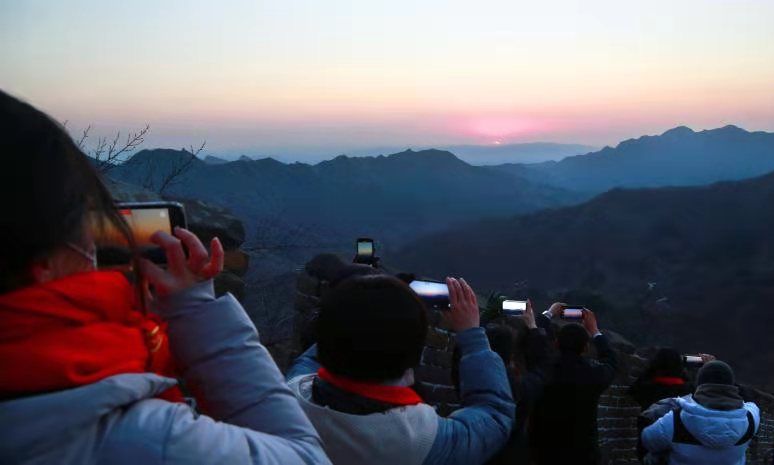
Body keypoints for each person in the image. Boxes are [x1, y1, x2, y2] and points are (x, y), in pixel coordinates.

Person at [0, 90, 330, 465]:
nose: (94, 237)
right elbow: (306, 457)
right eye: (83, 219)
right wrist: (194, 308)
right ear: (41, 261)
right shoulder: (140, 439)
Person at [286, 275, 515, 465]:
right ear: (412, 360)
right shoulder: (425, 442)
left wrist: (359, 310)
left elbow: (317, 353)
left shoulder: (289, 398)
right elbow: (495, 414)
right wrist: (472, 333)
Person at [529, 307, 618, 465]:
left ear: (556, 344)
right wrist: (595, 331)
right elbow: (611, 361)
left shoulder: (544, 368)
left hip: (542, 453)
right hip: (583, 455)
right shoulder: (594, 374)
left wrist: (550, 312)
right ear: (585, 348)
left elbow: (535, 342)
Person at [641, 361, 760, 465]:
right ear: (731, 384)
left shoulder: (676, 419)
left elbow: (647, 441)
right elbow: (749, 399)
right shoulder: (751, 418)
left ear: (699, 384)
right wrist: (722, 373)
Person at [485, 300, 556, 465]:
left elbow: (468, 348)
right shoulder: (520, 390)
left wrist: (487, 315)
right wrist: (534, 325)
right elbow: (543, 365)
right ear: (511, 356)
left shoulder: (470, 379)